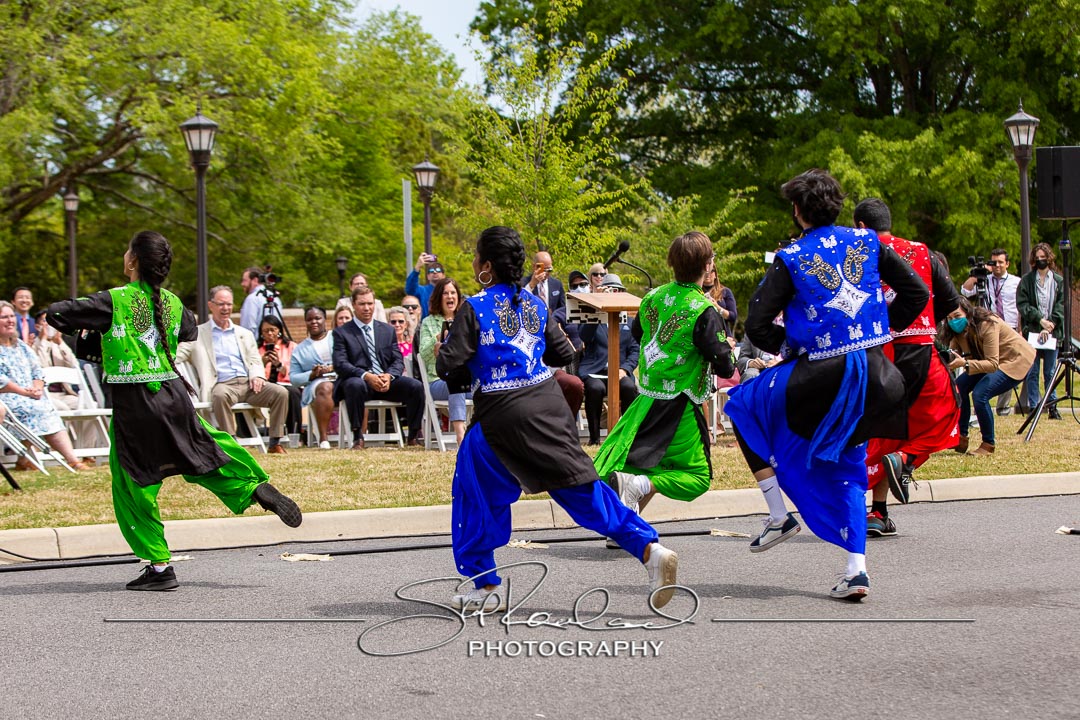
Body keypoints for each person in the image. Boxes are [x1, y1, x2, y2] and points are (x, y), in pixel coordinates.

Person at [436, 225, 679, 611]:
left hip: (502, 415)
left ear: (485, 266)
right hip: (548, 410)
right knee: (581, 488)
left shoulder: (475, 307)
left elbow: (447, 365)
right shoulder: (535, 305)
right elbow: (563, 352)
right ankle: (650, 549)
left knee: (473, 488)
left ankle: (484, 584)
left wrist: (469, 361)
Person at [47, 231, 301, 591]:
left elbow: (57, 314)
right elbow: (186, 331)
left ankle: (159, 566)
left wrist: (94, 335)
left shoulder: (113, 301)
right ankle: (254, 486)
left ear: (133, 260)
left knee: (134, 483)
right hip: (173, 394)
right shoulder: (171, 302)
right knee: (204, 451)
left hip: (135, 403)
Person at [724, 169, 929, 601]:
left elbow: (758, 324)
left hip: (819, 379)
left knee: (741, 405)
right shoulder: (870, 242)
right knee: (850, 465)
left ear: (797, 212)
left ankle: (778, 515)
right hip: (878, 379)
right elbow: (917, 293)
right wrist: (876, 331)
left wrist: (795, 345)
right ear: (838, 205)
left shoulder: (793, 256)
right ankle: (856, 571)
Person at [593, 232, 734, 531]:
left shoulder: (653, 297)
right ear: (708, 265)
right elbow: (724, 365)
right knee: (696, 478)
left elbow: (640, 334)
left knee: (640, 464)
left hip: (646, 400)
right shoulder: (703, 310)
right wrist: (728, 351)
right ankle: (637, 492)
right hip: (680, 404)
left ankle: (622, 529)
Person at [853, 198, 962, 537]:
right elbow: (950, 301)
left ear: (860, 227)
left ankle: (876, 511)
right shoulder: (921, 251)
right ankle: (907, 460)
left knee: (881, 430)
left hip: (875, 354)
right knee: (947, 412)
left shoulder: (855, 253)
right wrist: (925, 321)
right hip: (920, 351)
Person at [175, 286, 291, 454]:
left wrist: (258, 376)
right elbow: (179, 354)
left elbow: (254, 359)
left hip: (248, 383)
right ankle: (231, 443)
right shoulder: (198, 333)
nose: (226, 308)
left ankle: (274, 442)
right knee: (220, 395)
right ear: (211, 305)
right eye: (221, 304)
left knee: (280, 392)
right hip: (222, 384)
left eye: (229, 304)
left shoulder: (244, 333)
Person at [0, 301, 89, 471]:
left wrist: (38, 387)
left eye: (11, 316)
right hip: (7, 397)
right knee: (31, 408)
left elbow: (37, 371)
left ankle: (72, 460)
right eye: (4, 317)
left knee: (45, 407)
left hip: (31, 394)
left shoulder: (21, 346)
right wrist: (24, 392)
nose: (10, 320)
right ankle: (26, 458)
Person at [332, 286, 424, 449]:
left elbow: (398, 360)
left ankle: (413, 436)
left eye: (370, 303)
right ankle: (357, 437)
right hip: (359, 382)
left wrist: (389, 376)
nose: (367, 308)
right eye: (362, 304)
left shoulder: (387, 330)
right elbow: (341, 364)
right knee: (354, 384)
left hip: (385, 381)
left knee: (415, 386)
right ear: (354, 304)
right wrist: (366, 375)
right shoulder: (342, 332)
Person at [944, 297, 1036, 455]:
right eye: (950, 318)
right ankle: (961, 436)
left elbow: (992, 364)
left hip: (1014, 360)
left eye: (957, 316)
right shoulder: (957, 331)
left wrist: (965, 364)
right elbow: (953, 354)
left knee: (980, 394)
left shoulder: (987, 323)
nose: (953, 321)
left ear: (968, 312)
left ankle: (988, 444)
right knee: (958, 387)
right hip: (984, 361)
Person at [32, 309, 106, 452]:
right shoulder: (34, 345)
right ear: (37, 326)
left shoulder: (59, 345)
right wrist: (43, 340)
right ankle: (65, 450)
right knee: (62, 409)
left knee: (89, 406)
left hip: (65, 393)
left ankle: (86, 450)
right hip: (46, 396)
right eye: (45, 322)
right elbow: (40, 367)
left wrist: (60, 343)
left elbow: (74, 365)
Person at [577, 276, 639, 446]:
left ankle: (626, 436)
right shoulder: (591, 316)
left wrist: (625, 369)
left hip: (619, 371)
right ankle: (595, 438)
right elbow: (584, 336)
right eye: (610, 289)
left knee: (628, 387)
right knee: (595, 389)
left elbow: (635, 351)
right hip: (594, 370)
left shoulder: (630, 321)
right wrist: (598, 306)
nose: (614, 293)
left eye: (617, 290)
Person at [961, 249, 1021, 415]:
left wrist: (1020, 330)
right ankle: (981, 400)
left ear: (1007, 264)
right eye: (994, 262)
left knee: (1006, 365)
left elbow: (1020, 307)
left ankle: (1003, 407)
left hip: (1009, 329)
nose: (997, 266)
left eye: (1001, 262)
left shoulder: (1016, 282)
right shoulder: (984, 281)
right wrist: (976, 275)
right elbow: (964, 292)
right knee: (988, 362)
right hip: (987, 330)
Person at [418, 278, 472, 444]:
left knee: (487, 385)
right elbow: (423, 355)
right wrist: (437, 341)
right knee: (455, 380)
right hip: (437, 381)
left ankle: (487, 434)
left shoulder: (466, 320)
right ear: (439, 297)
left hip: (467, 380)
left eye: (453, 293)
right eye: (446, 293)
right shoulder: (428, 322)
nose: (450, 296)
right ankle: (460, 435)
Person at [1016, 242, 1066, 420]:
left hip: (1053, 332)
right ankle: (1034, 406)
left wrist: (1050, 323)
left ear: (1049, 258)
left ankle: (1052, 406)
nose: (1040, 261)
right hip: (1034, 331)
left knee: (1050, 372)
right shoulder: (1027, 281)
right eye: (1037, 259)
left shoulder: (1059, 281)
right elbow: (1023, 305)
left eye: (1043, 258)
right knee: (1033, 371)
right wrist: (1040, 321)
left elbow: (1061, 305)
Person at [290, 306, 336, 449]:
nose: (314, 322)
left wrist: (334, 367)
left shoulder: (337, 338)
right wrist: (311, 374)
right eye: (309, 319)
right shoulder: (300, 349)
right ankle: (323, 438)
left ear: (325, 319)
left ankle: (359, 435)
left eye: (317, 318)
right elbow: (294, 378)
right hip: (317, 384)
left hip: (341, 379)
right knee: (325, 387)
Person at [257, 314, 302, 438]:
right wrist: (262, 363)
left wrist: (279, 365)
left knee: (293, 393)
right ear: (261, 333)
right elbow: (250, 370)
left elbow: (296, 370)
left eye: (273, 330)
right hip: (265, 387)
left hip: (286, 384)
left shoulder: (291, 347)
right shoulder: (257, 349)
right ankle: (246, 434)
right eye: (266, 331)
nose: (270, 334)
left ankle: (294, 434)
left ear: (279, 331)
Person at [523, 250, 567, 326]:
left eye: (549, 270)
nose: (546, 273)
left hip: (553, 324)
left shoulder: (556, 284)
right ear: (534, 267)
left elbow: (562, 309)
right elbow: (520, 302)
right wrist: (532, 284)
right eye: (543, 269)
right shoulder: (523, 282)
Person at [238, 267, 283, 336]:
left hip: (257, 345)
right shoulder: (275, 298)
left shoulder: (252, 299)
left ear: (255, 280)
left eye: (245, 280)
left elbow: (247, 329)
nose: (242, 284)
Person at [405, 252, 446, 318]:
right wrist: (417, 267)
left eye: (438, 270)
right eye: (431, 271)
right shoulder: (423, 291)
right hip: (426, 326)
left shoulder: (449, 291)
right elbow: (410, 289)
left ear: (443, 275)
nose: (435, 272)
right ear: (428, 277)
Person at [703, 267, 738, 336]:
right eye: (704, 271)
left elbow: (733, 316)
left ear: (715, 274)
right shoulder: (696, 292)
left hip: (723, 336)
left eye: (711, 271)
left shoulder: (725, 292)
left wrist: (717, 307)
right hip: (703, 336)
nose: (708, 273)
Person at [386, 306, 415, 378]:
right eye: (393, 322)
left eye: (401, 321)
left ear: (406, 324)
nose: (397, 325)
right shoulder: (385, 344)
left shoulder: (413, 342)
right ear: (388, 324)